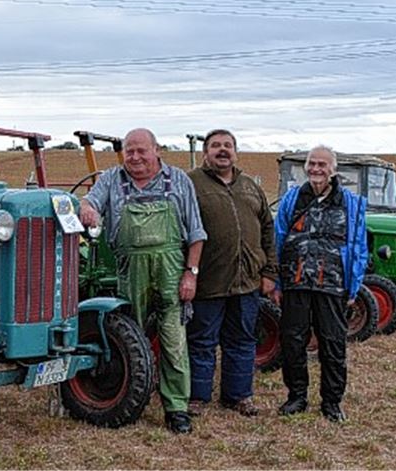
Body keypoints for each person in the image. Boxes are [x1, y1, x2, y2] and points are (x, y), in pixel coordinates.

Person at [78, 128, 207, 434]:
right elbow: (91, 201)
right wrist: (87, 208)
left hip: (171, 270)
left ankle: (176, 408)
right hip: (128, 271)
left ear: (156, 150)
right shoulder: (111, 179)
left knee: (174, 341)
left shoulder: (178, 180)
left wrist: (191, 273)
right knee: (129, 339)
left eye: (141, 151)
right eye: (129, 151)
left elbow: (197, 233)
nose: (134, 157)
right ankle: (129, 399)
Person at [185, 129, 277, 418]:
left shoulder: (250, 186)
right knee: (201, 341)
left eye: (227, 145)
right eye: (215, 146)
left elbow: (267, 229)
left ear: (235, 152)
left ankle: (238, 396)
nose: (222, 150)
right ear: (205, 153)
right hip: (208, 281)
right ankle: (197, 397)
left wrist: (269, 272)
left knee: (242, 340)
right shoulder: (191, 184)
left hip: (247, 281)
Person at [274, 145, 367, 423]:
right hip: (296, 282)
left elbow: (360, 246)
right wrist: (278, 282)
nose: (316, 169)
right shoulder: (292, 199)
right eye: (312, 164)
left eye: (322, 165)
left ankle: (332, 402)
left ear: (333, 170)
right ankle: (296, 397)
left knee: (333, 344)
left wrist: (354, 286)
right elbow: (278, 238)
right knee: (292, 342)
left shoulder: (350, 203)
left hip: (333, 285)